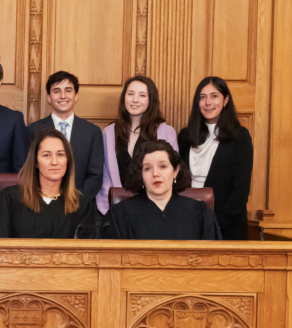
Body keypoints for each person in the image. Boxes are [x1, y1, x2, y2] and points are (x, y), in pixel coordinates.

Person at [178, 76, 254, 240]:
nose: (207, 102)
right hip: (188, 222)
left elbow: (240, 188)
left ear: (225, 100)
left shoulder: (240, 136)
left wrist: (216, 221)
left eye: (214, 96)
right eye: (202, 97)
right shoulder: (185, 136)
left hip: (227, 225)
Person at [0, 128, 99, 239]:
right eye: (46, 155)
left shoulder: (82, 206)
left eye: (60, 154)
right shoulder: (10, 199)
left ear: (68, 160)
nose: (54, 162)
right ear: (35, 161)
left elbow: (87, 254)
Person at [107, 139, 221, 240]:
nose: (155, 174)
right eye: (147, 168)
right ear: (141, 175)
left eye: (163, 166)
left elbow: (213, 259)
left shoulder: (200, 212)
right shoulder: (120, 214)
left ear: (175, 171)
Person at [96, 75, 178, 214]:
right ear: (124, 98)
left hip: (155, 209)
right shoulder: (109, 132)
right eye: (130, 94)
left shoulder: (165, 131)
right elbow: (105, 174)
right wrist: (109, 206)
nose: (135, 100)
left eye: (142, 95)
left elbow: (172, 172)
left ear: (150, 100)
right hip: (117, 209)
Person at [27, 71, 104, 201]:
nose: (63, 96)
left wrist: (75, 202)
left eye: (68, 90)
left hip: (80, 207)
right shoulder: (33, 130)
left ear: (76, 96)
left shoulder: (92, 132)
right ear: (49, 97)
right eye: (56, 91)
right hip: (41, 205)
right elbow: (29, 171)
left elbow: (95, 176)